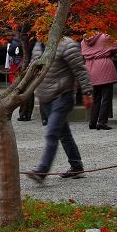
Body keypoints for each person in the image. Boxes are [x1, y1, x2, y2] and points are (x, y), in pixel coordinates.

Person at [26, 35, 93, 182]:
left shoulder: (66, 44)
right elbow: (32, 68)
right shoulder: (38, 45)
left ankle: (42, 171)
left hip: (62, 96)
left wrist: (87, 93)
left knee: (52, 133)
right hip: (45, 97)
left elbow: (80, 70)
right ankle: (76, 166)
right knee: (64, 133)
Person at [82, 32, 117, 130]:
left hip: (90, 67)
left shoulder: (84, 40)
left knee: (95, 96)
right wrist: (109, 52)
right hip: (104, 66)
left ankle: (92, 121)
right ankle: (102, 122)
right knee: (106, 96)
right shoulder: (105, 37)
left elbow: (82, 54)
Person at [17, 36, 43, 121]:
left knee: (25, 89)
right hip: (34, 67)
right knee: (30, 90)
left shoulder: (30, 40)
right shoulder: (36, 40)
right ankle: (28, 113)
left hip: (29, 66)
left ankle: (23, 113)